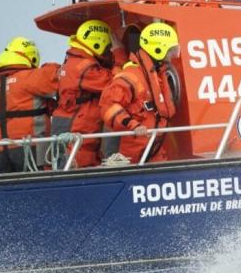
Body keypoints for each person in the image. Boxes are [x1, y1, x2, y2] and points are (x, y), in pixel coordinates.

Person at [99, 22, 179, 163]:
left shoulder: (157, 75)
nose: (173, 55)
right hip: (130, 154)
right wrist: (132, 125)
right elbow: (109, 106)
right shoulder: (132, 76)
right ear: (158, 49)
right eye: (171, 50)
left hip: (152, 148)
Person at [51, 19, 127, 168]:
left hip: (73, 128)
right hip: (78, 134)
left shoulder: (74, 61)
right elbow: (115, 83)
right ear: (97, 43)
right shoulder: (84, 67)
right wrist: (119, 55)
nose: (108, 51)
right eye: (107, 46)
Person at [0, 37, 60, 173]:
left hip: (2, 155)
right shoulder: (29, 78)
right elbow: (60, 76)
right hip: (32, 151)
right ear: (32, 57)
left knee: (12, 190)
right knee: (38, 189)